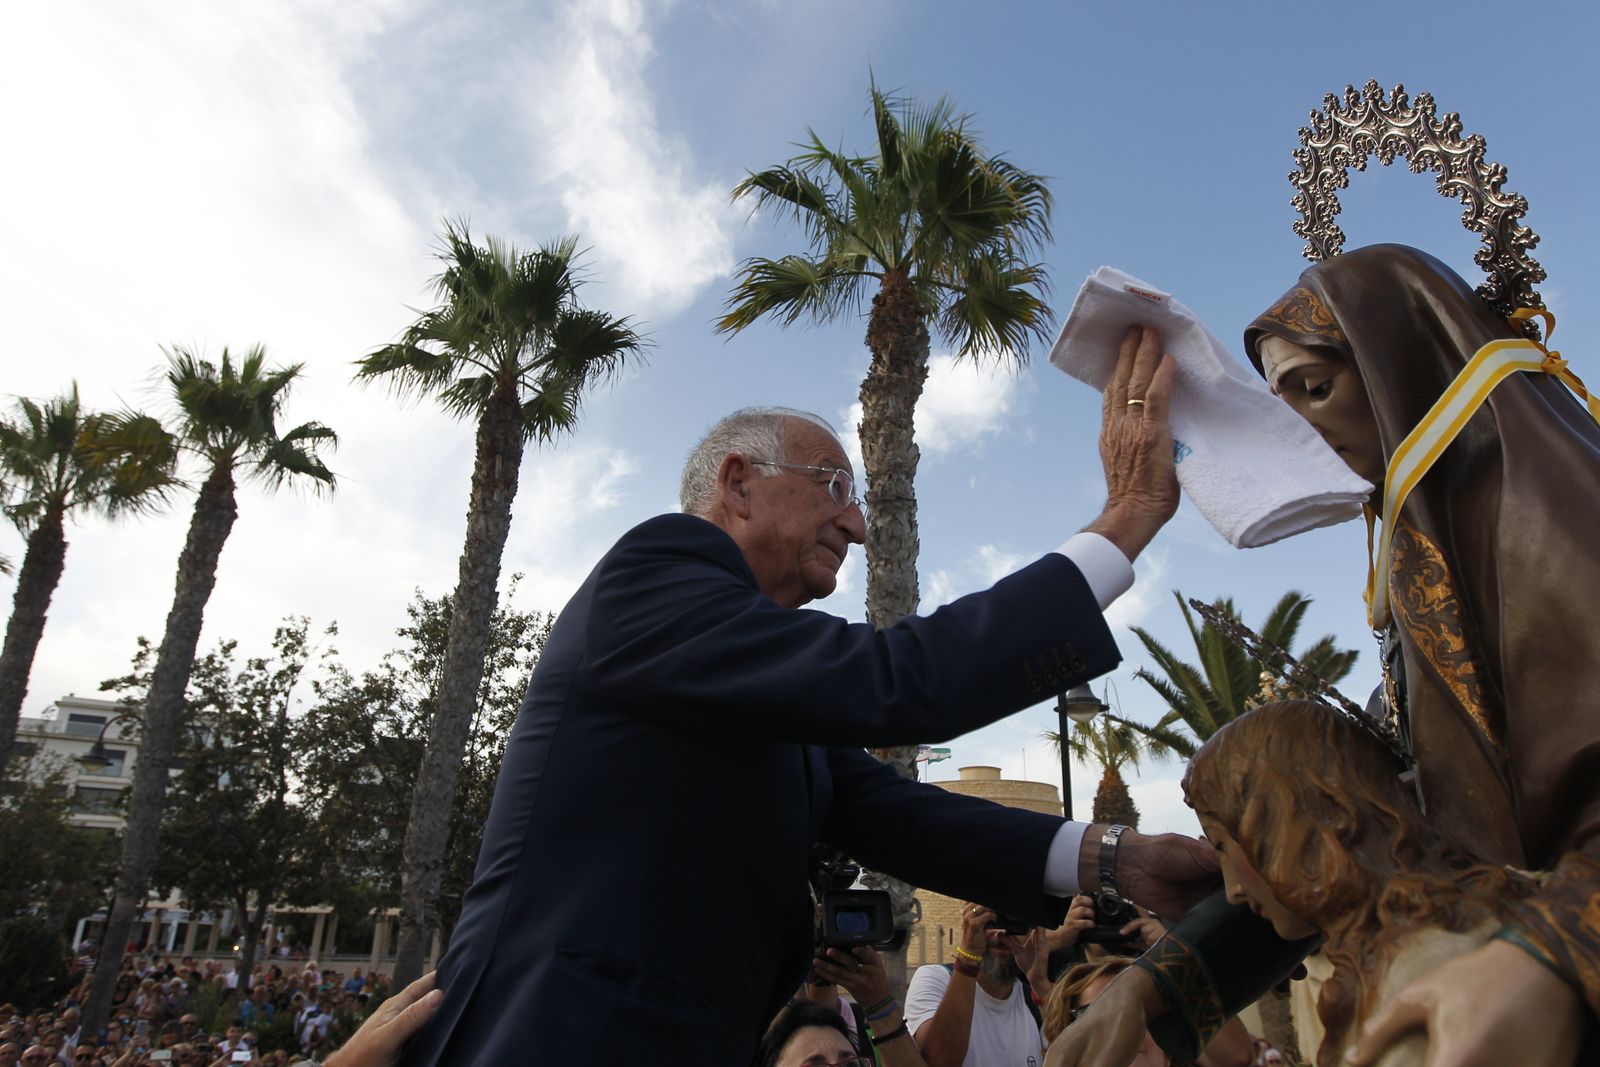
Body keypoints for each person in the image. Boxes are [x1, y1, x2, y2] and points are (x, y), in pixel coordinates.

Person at [398, 327, 1220, 1064]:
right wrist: (1125, 520)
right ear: (738, 482)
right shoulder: (655, 571)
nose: (859, 525)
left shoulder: (763, 692)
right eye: (834, 485)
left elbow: (903, 818)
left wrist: (1121, 860)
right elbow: (900, 679)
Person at [1047, 245, 1600, 1067]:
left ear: (1407, 370)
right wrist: (1151, 987)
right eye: (1282, 404)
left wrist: (1550, 955)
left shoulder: (1553, 519)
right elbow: (1361, 855)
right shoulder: (1413, 584)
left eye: (1317, 387)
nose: (1301, 429)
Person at [1184, 700, 1539, 1064]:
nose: (1233, 891)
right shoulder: (1391, 959)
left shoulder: (1427, 978)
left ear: (1295, 826)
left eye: (1223, 846)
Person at [902, 903, 1050, 1066]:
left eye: (1014, 924)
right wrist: (968, 957)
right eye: (991, 921)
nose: (1000, 934)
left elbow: (1076, 1053)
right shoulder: (937, 980)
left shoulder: (1034, 1000)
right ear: (968, 922)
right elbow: (939, 1061)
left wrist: (1039, 982)